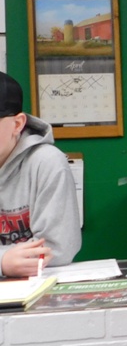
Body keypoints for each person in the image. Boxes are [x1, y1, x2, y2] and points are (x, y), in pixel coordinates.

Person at [0, 72, 81, 277]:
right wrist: (3, 262)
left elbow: (56, 249)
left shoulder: (47, 163)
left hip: (38, 284)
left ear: (17, 124)